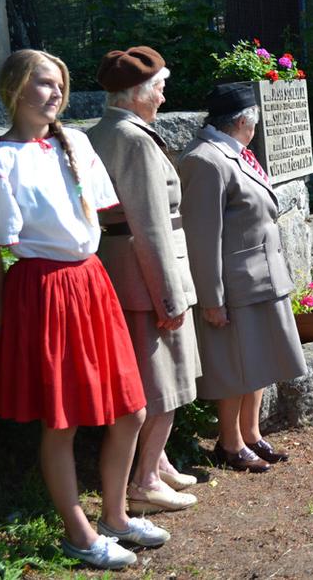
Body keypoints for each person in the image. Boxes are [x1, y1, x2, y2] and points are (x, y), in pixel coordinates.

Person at [0, 49, 167, 569]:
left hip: (90, 282)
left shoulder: (75, 142)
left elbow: (103, 213)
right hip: (42, 290)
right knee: (62, 421)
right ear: (14, 88)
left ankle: (116, 517)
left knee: (132, 407)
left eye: (59, 83)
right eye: (42, 83)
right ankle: (78, 532)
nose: (54, 93)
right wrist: (1, 317)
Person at [88, 46, 201, 513]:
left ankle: (161, 462)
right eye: (159, 86)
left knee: (151, 376)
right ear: (137, 94)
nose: (163, 92)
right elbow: (151, 222)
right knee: (163, 379)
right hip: (146, 272)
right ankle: (146, 478)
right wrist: (169, 297)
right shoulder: (134, 139)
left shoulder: (99, 132)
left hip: (120, 266)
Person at [178, 82, 307, 471]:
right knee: (236, 365)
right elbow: (203, 236)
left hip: (263, 277)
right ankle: (229, 443)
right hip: (235, 283)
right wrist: (212, 299)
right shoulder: (205, 160)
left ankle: (251, 434)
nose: (258, 128)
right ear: (241, 122)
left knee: (261, 360)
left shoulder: (235, 154)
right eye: (256, 122)